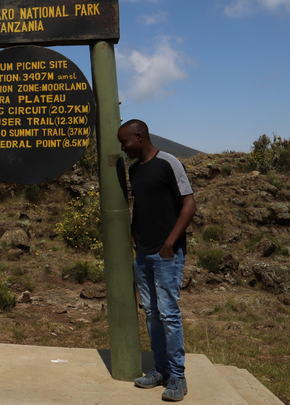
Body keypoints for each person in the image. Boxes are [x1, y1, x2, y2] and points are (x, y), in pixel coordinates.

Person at [117, 119, 196, 402]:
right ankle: (160, 370)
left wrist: (169, 244)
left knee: (168, 314)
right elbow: (141, 203)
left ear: (139, 137)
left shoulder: (169, 162)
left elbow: (189, 204)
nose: (123, 148)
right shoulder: (134, 169)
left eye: (125, 142)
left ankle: (178, 377)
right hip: (144, 253)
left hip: (167, 254)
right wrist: (134, 233)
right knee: (151, 313)